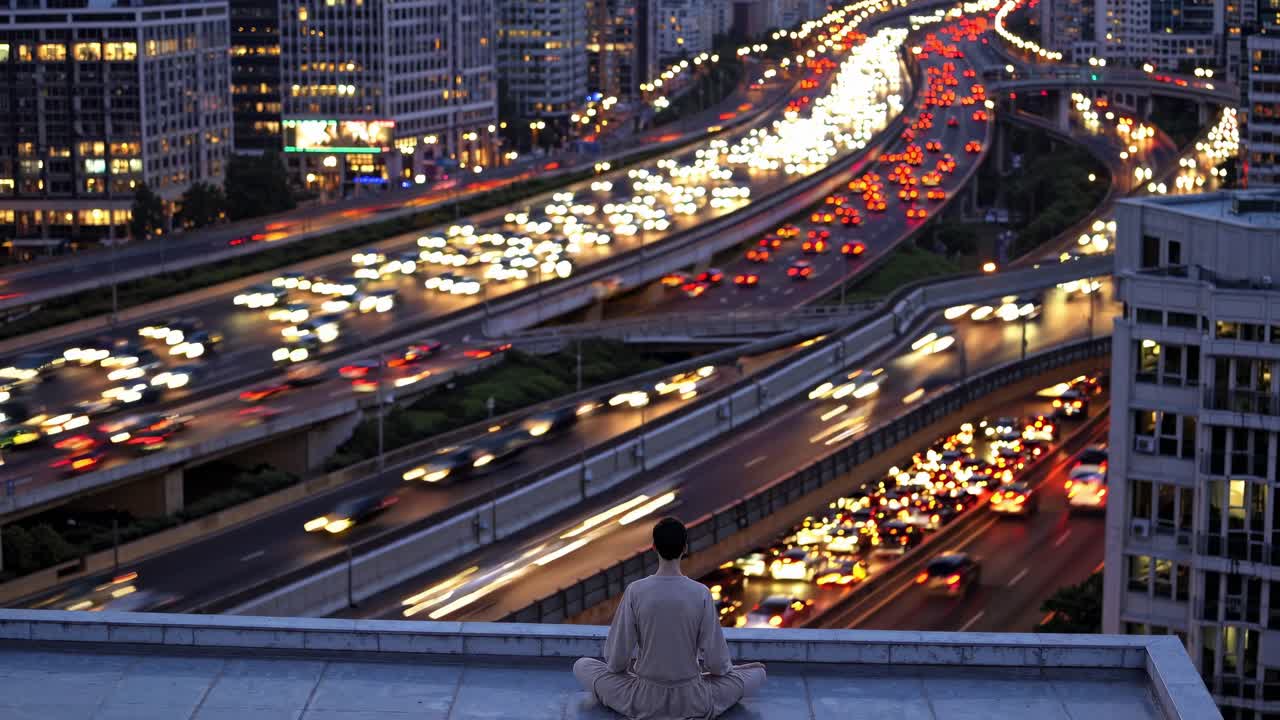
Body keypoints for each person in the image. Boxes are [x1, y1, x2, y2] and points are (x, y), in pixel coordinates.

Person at [573, 517, 767, 720]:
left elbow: (615, 663)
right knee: (757, 673)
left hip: (643, 699)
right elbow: (717, 664)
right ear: (685, 548)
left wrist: (632, 675)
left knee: (583, 665)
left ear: (654, 547)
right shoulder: (700, 593)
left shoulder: (636, 591)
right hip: (693, 699)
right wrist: (709, 676)